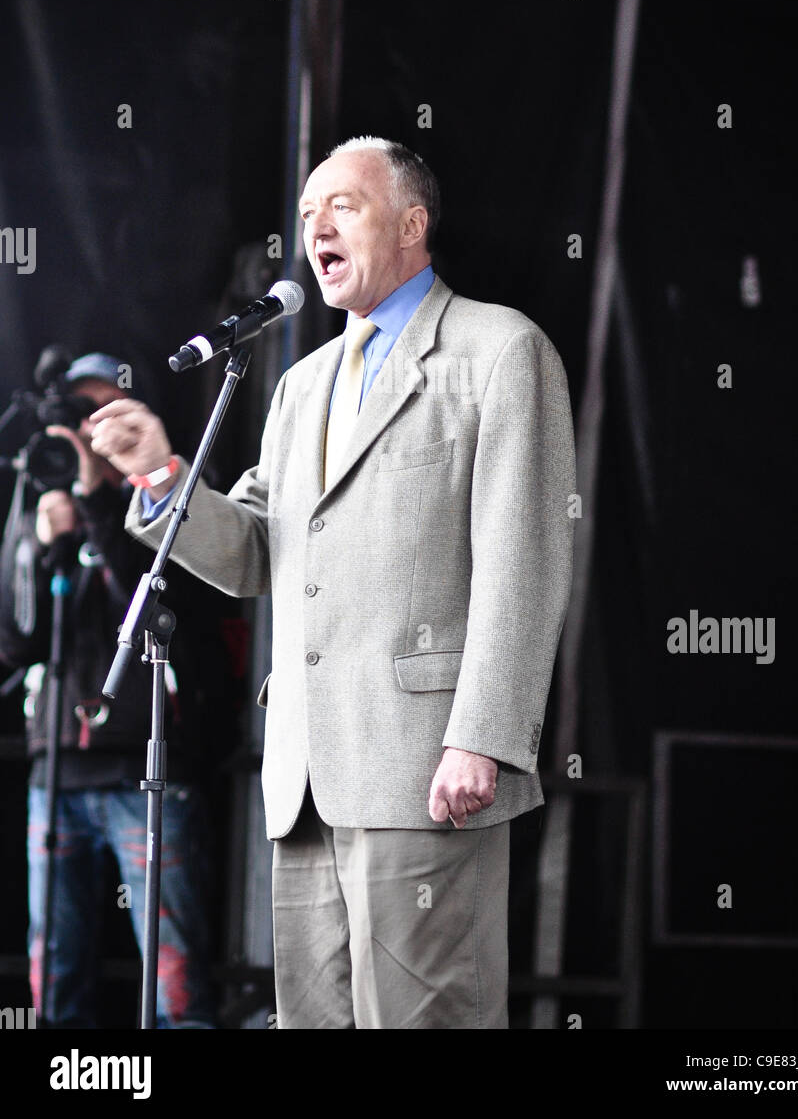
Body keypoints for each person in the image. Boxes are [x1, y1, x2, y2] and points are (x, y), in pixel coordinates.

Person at [90, 138, 575, 1029]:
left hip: (426, 766)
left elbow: (526, 557)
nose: (315, 225)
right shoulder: (300, 384)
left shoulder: (498, 350)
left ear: (413, 223)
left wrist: (486, 737)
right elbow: (253, 554)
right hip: (305, 775)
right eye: (307, 213)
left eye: (342, 206)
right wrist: (159, 477)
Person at [0, 354, 222, 1029]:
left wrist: (101, 501)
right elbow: (14, 643)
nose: (88, 431)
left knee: (174, 969)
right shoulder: (41, 498)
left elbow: (157, 610)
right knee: (55, 968)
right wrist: (43, 550)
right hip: (57, 771)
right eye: (75, 416)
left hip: (145, 769)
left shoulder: (168, 497)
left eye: (103, 412)